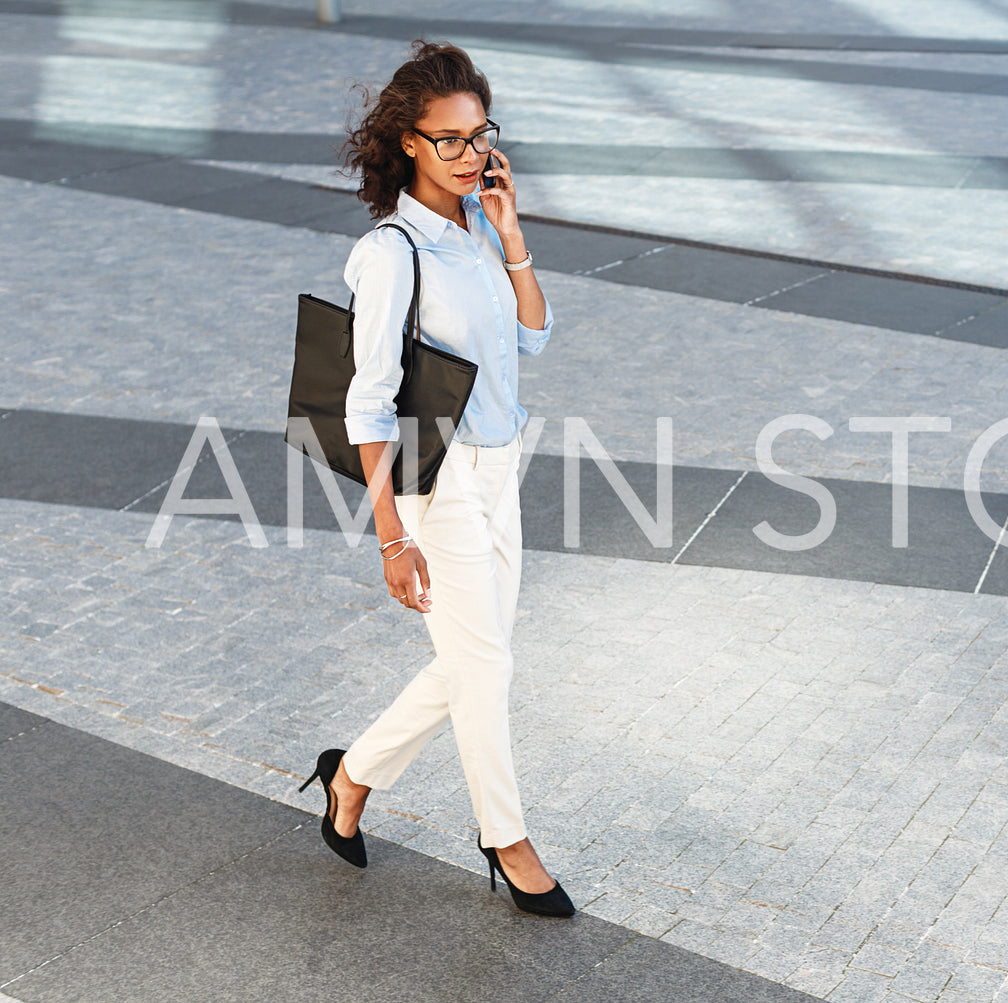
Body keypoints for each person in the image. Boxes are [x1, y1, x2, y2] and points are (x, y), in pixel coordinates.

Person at [297, 40, 573, 918]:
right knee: (483, 665)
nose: (467, 154)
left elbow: (532, 337)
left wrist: (514, 234)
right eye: (446, 139)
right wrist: (391, 535)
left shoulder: (478, 225)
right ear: (408, 142)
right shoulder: (391, 253)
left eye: (477, 134)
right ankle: (507, 837)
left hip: (501, 469)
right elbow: (365, 405)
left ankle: (352, 773)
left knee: (468, 661)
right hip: (437, 483)